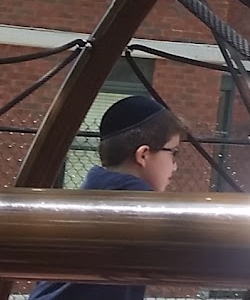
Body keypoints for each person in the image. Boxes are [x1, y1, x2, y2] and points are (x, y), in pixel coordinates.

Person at [28, 96, 187, 300]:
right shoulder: (143, 209)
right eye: (173, 152)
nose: (175, 166)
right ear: (143, 155)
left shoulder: (87, 196)